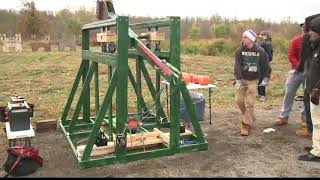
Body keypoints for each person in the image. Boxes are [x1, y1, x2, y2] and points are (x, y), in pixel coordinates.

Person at [234, 29, 271, 136]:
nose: (243, 39)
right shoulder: (239, 50)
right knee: (238, 100)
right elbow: (237, 65)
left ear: (251, 39)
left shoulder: (260, 51)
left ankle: (245, 125)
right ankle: (250, 115)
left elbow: (266, 65)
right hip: (242, 79)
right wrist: (238, 78)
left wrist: (265, 78)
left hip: (253, 80)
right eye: (242, 37)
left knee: (250, 103)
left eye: (245, 37)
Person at [273, 24, 309, 131]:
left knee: (307, 95)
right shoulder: (295, 41)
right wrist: (299, 66)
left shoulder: (314, 42)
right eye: (302, 30)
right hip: (295, 71)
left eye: (306, 30)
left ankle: (305, 117)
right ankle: (284, 116)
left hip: (309, 72)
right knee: (289, 92)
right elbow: (291, 55)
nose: (304, 32)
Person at [297, 16, 320, 162]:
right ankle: (316, 146)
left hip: (318, 93)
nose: (309, 33)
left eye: (312, 30)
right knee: (317, 121)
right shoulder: (316, 46)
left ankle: (317, 152)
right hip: (314, 91)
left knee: (318, 122)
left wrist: (317, 89)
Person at [257, 31, 273, 101]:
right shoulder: (266, 42)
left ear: (266, 35)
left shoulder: (267, 42)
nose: (262, 36)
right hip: (262, 62)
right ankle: (260, 94)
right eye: (262, 35)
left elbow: (260, 45)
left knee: (261, 78)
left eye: (264, 35)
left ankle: (262, 95)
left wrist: (259, 38)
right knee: (259, 78)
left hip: (264, 63)